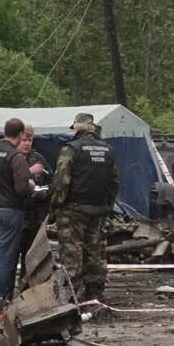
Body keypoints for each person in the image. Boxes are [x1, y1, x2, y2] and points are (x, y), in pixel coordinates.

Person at [50, 114, 119, 301]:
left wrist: (55, 206)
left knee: (72, 252)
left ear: (77, 129)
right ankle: (95, 292)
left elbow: (61, 182)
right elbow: (114, 182)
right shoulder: (109, 150)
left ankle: (71, 295)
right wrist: (108, 206)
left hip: (74, 210)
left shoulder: (71, 149)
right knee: (95, 251)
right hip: (99, 209)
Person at [0, 118, 34, 300]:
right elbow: (21, 188)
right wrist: (32, 186)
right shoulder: (15, 157)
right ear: (20, 135)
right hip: (10, 211)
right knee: (5, 256)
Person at [18, 125, 52, 284]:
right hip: (16, 215)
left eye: (30, 140)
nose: (27, 143)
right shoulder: (11, 157)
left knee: (31, 256)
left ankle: (27, 285)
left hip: (35, 216)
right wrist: (30, 172)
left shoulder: (38, 158)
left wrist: (43, 192)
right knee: (11, 256)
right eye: (24, 140)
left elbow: (52, 183)